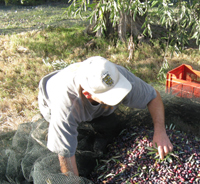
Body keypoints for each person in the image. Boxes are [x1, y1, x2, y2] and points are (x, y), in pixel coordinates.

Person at [38, 56, 173, 176]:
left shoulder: (116, 76)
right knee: (70, 141)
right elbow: (65, 156)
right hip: (50, 98)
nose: (119, 98)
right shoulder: (66, 106)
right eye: (111, 96)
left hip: (84, 96)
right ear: (88, 94)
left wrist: (160, 131)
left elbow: (153, 97)